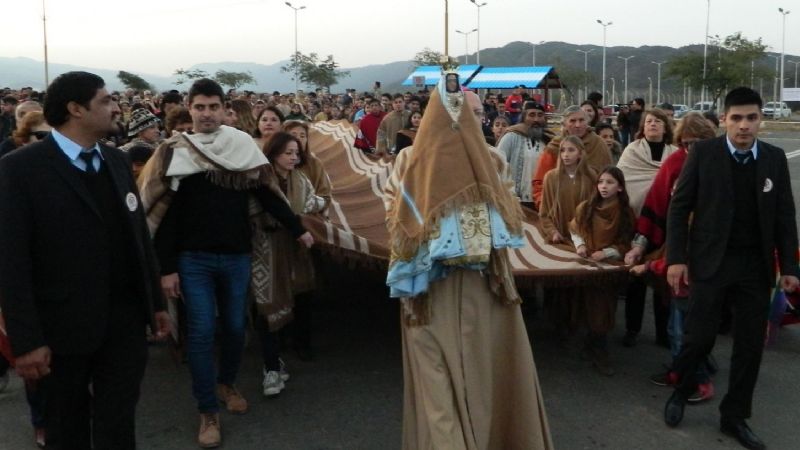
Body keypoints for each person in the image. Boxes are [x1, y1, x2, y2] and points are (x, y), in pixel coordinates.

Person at [0, 71, 171, 450]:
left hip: (124, 324)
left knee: (119, 424)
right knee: (66, 429)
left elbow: (138, 238)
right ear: (76, 109)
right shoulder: (20, 169)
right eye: (105, 101)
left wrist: (155, 303)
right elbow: (11, 261)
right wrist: (26, 341)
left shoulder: (115, 160)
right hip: (61, 330)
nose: (116, 108)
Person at [138, 78, 313, 448]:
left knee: (234, 327)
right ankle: (207, 411)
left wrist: (298, 229)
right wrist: (166, 268)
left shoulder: (242, 146)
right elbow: (165, 214)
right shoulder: (174, 152)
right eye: (199, 107)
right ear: (190, 109)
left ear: (224, 109)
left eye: (213, 107)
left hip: (236, 256)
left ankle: (226, 383)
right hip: (192, 259)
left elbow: (267, 194)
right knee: (202, 331)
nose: (206, 114)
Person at [384, 76, 553, 450]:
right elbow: (395, 216)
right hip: (429, 289)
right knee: (436, 384)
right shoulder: (410, 160)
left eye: (477, 113)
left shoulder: (493, 160)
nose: (472, 120)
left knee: (486, 374)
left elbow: (510, 215)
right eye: (462, 112)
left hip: (485, 286)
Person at [663, 87, 800, 450]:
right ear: (724, 119)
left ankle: (735, 415)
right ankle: (681, 390)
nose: (744, 126)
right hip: (710, 262)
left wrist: (790, 266)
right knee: (698, 338)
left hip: (755, 267)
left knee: (750, 346)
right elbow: (679, 207)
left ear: (760, 120)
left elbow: (785, 215)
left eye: (751, 118)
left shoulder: (773, 158)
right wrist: (676, 258)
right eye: (736, 118)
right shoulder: (704, 153)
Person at [627, 112, 718, 402]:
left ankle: (695, 376)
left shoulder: (723, 164)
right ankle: (684, 371)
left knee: (693, 324)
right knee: (678, 322)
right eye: (687, 143)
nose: (692, 149)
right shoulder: (675, 163)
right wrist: (639, 246)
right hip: (677, 251)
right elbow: (654, 206)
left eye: (698, 142)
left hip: (711, 254)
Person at [252, 132, 327, 397]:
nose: (294, 157)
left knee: (297, 296)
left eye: (296, 153)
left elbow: (312, 202)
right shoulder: (260, 179)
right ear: (273, 154)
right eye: (288, 153)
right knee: (267, 302)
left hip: (294, 250)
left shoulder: (301, 179)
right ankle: (271, 366)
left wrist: (325, 203)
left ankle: (282, 356)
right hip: (265, 248)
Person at [617, 108, 678, 348]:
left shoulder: (674, 153)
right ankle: (632, 329)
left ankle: (663, 333)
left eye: (658, 121)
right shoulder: (632, 151)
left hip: (666, 225)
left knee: (663, 281)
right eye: (649, 121)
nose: (653, 124)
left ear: (666, 127)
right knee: (636, 279)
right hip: (637, 223)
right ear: (643, 126)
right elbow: (624, 182)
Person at [569, 166, 635, 375]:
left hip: (608, 269)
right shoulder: (586, 207)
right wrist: (580, 245)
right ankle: (590, 344)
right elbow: (575, 228)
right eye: (601, 182)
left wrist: (607, 252)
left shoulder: (625, 213)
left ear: (620, 187)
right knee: (586, 306)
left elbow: (626, 242)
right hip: (587, 264)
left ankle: (600, 352)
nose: (604, 186)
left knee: (603, 309)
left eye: (610, 182)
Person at [532, 105, 611, 208]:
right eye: (572, 121)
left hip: (592, 207)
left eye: (581, 120)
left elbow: (611, 178)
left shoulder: (599, 145)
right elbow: (539, 182)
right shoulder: (555, 147)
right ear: (564, 124)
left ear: (587, 122)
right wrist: (545, 206)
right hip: (560, 208)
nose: (578, 125)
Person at [496, 101, 553, 208]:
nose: (536, 119)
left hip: (542, 202)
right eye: (532, 115)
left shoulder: (550, 140)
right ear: (523, 117)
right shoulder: (511, 137)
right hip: (515, 201)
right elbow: (497, 166)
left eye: (540, 115)